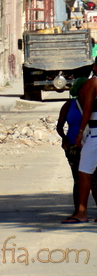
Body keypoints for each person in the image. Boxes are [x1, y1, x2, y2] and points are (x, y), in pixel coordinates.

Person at [62, 57, 97, 223]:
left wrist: (81, 131)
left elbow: (88, 109)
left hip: (95, 133)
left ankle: (82, 212)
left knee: (84, 173)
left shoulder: (93, 83)